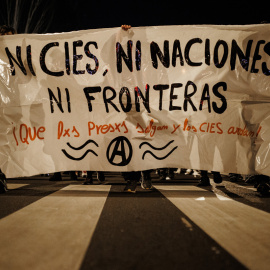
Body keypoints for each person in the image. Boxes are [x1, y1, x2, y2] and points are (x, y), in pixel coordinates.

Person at [0, 25, 16, 193]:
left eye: (10, 37)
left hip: (7, 106)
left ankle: (1, 174)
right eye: (4, 37)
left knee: (3, 140)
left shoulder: (17, 58)